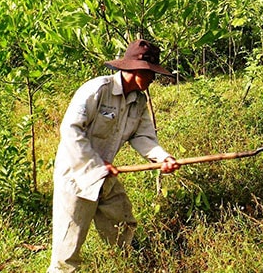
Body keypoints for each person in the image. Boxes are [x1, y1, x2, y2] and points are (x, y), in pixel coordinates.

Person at [48, 39, 180, 272]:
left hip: (105, 176)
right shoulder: (98, 90)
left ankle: (130, 264)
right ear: (134, 69)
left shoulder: (138, 101)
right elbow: (70, 129)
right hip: (76, 176)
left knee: (123, 226)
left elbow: (143, 137)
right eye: (150, 74)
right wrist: (95, 166)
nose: (152, 79)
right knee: (67, 250)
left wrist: (162, 158)